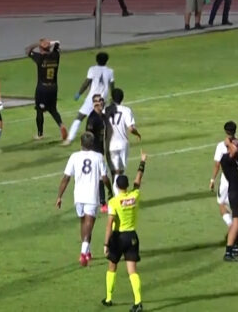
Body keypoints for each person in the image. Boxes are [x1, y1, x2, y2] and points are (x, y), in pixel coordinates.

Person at [56, 132, 111, 267]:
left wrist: (59, 196)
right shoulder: (98, 157)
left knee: (83, 223)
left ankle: (87, 251)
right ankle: (83, 254)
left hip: (78, 196)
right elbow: (104, 177)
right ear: (92, 144)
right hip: (91, 195)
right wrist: (110, 190)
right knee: (89, 224)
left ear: (81, 143)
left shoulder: (74, 156)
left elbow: (66, 178)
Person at [102, 151, 148, 312]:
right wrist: (142, 162)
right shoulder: (135, 196)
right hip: (132, 237)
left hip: (118, 237)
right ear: (127, 186)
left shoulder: (114, 202)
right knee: (132, 271)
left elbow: (109, 224)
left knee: (112, 267)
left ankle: (108, 298)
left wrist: (106, 244)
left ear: (116, 186)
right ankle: (138, 301)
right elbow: (138, 180)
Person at [209, 121, 238, 261]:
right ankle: (228, 252)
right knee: (236, 221)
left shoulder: (235, 157)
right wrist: (229, 143)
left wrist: (234, 142)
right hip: (235, 192)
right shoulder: (226, 160)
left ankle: (236, 249)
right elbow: (234, 151)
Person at [63, 52, 114, 146]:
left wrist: (79, 93)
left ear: (96, 60)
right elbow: (112, 86)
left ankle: (69, 139)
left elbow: (86, 82)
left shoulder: (92, 69)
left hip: (92, 98)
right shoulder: (110, 71)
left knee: (80, 117)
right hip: (103, 99)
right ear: (107, 61)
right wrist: (113, 98)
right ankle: (110, 137)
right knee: (105, 119)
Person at [25, 39, 67, 141]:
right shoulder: (56, 56)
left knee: (39, 110)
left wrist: (38, 43)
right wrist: (51, 43)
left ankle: (40, 134)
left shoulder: (40, 57)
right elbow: (57, 44)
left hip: (42, 89)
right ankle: (61, 124)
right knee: (53, 109)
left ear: (40, 48)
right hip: (53, 87)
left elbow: (27, 50)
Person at [106, 88, 141, 196]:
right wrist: (137, 134)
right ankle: (120, 197)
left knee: (115, 172)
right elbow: (131, 129)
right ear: (122, 98)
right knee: (121, 172)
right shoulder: (126, 110)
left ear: (112, 98)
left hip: (110, 145)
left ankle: (117, 197)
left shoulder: (106, 110)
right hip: (122, 144)